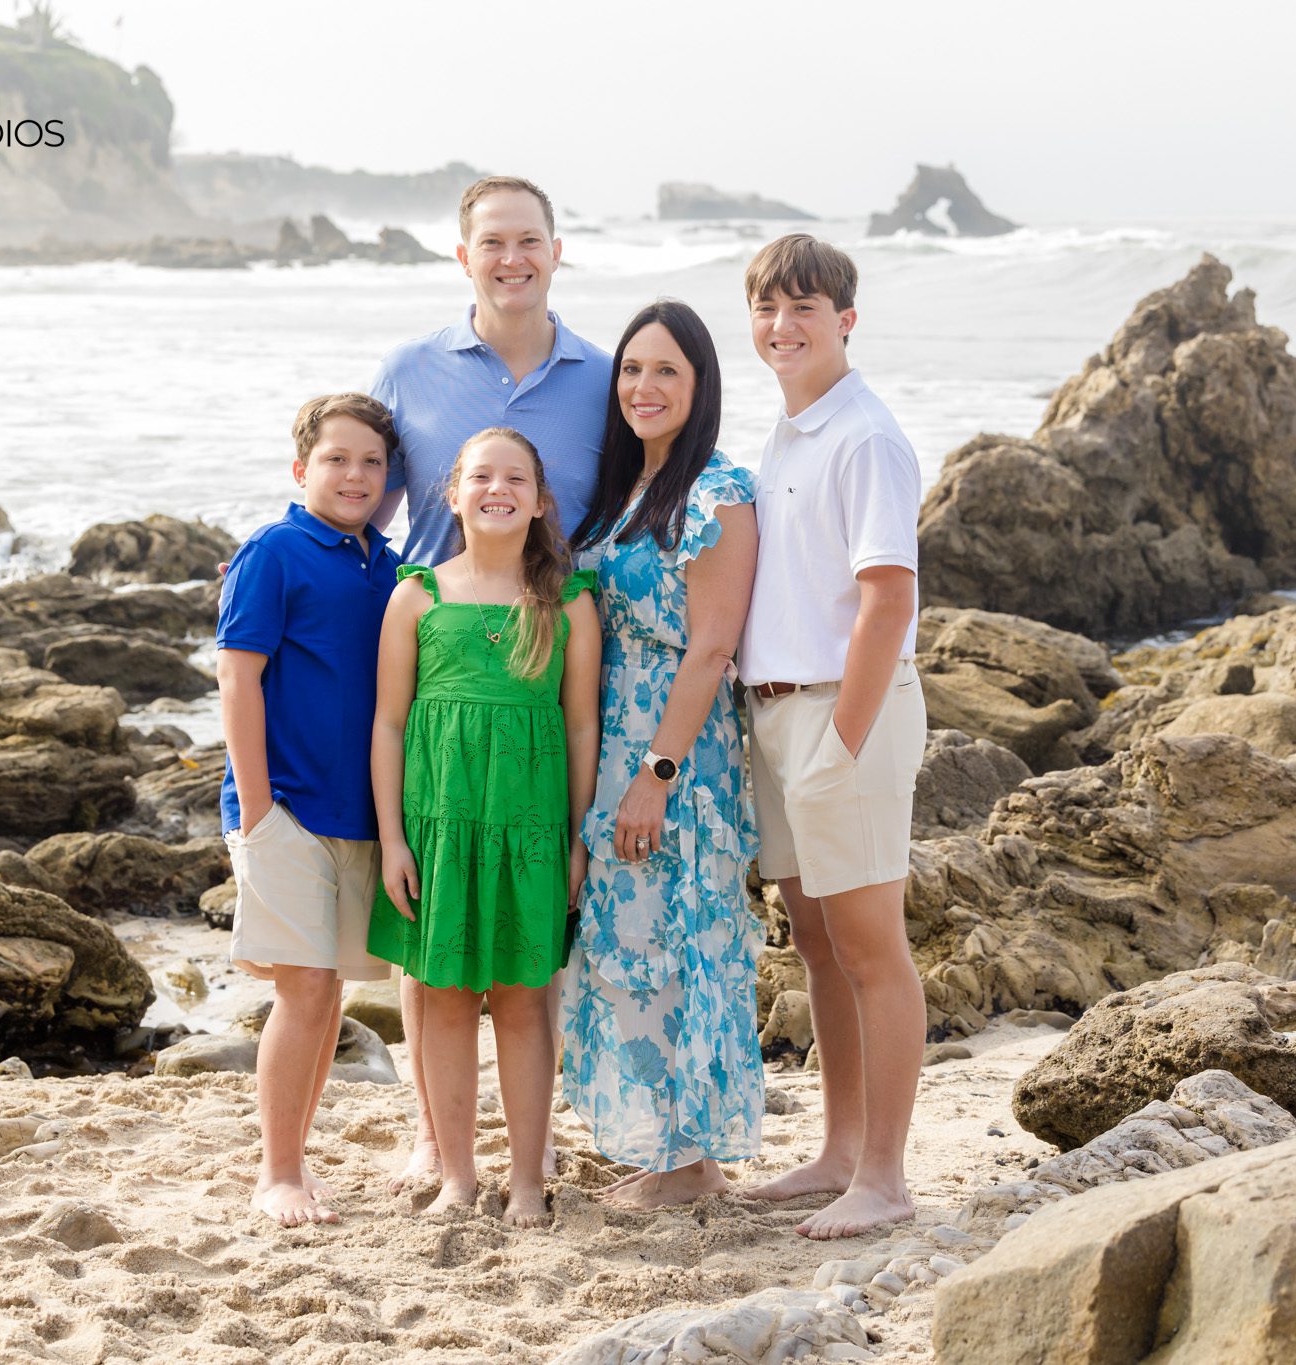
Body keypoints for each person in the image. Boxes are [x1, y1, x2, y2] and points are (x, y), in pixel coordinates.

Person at [369, 175, 613, 1190]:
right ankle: (437, 1139)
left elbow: (649, 493)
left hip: (544, 644)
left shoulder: (600, 379)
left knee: (520, 967)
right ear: (461, 256)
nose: (510, 258)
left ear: (557, 251)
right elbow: (356, 494)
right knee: (429, 955)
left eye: (528, 241)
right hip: (429, 662)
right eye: (491, 243)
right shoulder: (408, 368)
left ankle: (528, 1147)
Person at [735, 235, 929, 1240]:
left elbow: (887, 599)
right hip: (776, 711)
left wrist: (840, 741)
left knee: (868, 949)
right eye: (768, 308)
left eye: (803, 308)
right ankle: (839, 1151)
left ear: (845, 319)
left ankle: (885, 1177)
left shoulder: (863, 436)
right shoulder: (788, 431)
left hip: (839, 715)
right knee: (815, 944)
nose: (783, 326)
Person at [367, 427, 600, 1227]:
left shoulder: (567, 603)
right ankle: (459, 1175)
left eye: (516, 478)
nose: (497, 489)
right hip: (440, 827)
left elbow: (578, 728)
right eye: (480, 476)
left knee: (525, 1001)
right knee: (444, 997)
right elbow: (389, 723)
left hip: (528, 827)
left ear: (539, 501)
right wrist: (394, 840)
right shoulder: (418, 596)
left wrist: (577, 837)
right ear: (454, 493)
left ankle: (529, 1177)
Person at [560, 300, 762, 1210]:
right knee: (626, 938)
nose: (643, 386)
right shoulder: (622, 492)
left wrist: (658, 773)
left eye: (666, 371)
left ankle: (688, 1164)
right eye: (631, 369)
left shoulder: (717, 493)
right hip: (614, 738)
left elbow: (713, 647)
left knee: (678, 936)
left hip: (676, 748)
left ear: (701, 386)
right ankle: (675, 1155)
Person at [215, 393, 403, 1228]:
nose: (354, 474)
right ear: (302, 470)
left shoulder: (388, 566)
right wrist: (258, 809)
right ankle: (279, 1173)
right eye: (336, 459)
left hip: (360, 812)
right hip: (285, 807)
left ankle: (297, 1159)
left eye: (371, 461)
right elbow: (237, 677)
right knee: (304, 989)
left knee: (329, 998)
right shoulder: (274, 551)